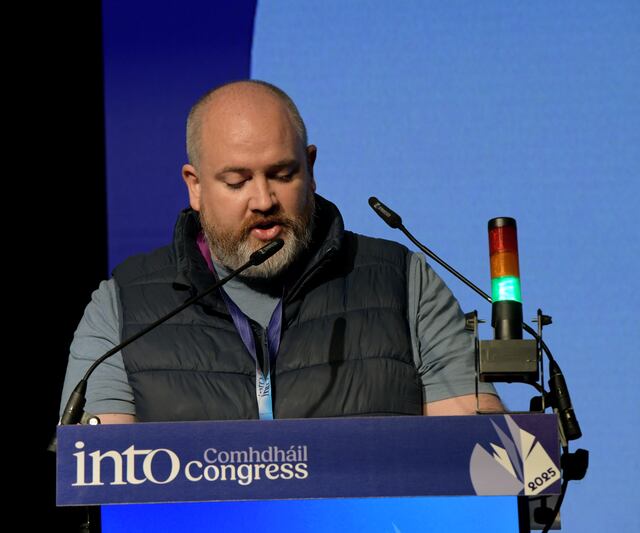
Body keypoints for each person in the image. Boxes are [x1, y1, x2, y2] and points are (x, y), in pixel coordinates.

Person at [60, 80, 502, 424]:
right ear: (195, 186)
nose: (263, 199)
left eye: (283, 173)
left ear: (310, 169)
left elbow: (483, 464)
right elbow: (101, 487)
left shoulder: (405, 283)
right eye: (237, 181)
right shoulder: (123, 308)